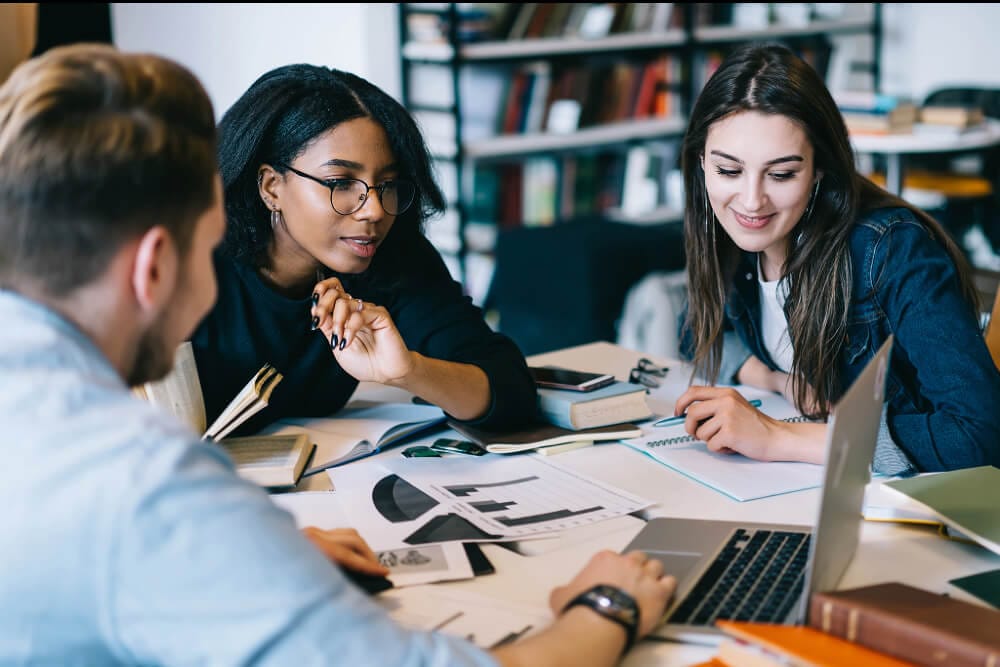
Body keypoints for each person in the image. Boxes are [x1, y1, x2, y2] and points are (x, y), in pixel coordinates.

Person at [0, 43, 675, 665]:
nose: (371, 210)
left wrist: (246, 550)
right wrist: (606, 607)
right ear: (155, 268)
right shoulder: (149, 483)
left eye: (385, 185)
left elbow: (502, 378)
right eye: (206, 242)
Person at [674, 42, 1000, 475]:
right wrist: (777, 381)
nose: (751, 201)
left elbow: (978, 435)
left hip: (912, 505)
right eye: (728, 171)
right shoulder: (731, 231)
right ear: (702, 162)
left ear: (819, 170)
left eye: (782, 174)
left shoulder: (892, 250)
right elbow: (697, 328)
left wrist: (776, 436)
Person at [189, 62, 537, 437]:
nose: (373, 210)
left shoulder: (391, 257)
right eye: (341, 182)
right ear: (271, 186)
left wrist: (409, 371)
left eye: (387, 183)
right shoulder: (188, 264)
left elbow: (511, 392)